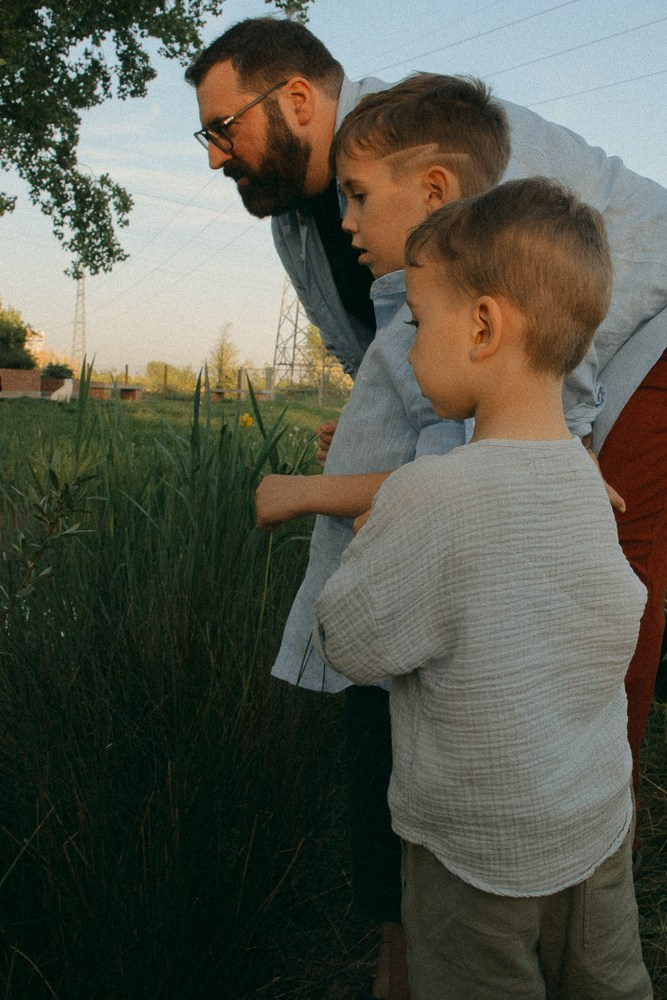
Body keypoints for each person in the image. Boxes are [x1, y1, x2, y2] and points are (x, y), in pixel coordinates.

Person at [185, 15, 667, 812]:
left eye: (221, 127)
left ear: (296, 99)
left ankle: (587, 827)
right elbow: (373, 345)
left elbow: (550, 283)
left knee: (597, 551)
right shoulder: (298, 227)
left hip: (639, 338)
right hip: (543, 369)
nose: (211, 155)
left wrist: (561, 444)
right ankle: (482, 791)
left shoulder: (426, 137)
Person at [313, 177, 653, 1000]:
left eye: (419, 322)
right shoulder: (587, 482)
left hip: (473, 856)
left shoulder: (431, 491)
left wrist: (375, 543)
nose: (409, 345)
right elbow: (615, 613)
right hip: (593, 828)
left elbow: (352, 643)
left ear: (482, 326)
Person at [252, 72, 510, 998]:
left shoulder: (426, 319)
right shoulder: (417, 313)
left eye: (359, 196)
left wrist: (303, 489)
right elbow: (425, 436)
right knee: (393, 866)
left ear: (434, 192)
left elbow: (457, 477)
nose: (346, 221)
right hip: (409, 636)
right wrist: (352, 438)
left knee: (398, 858)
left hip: (402, 640)